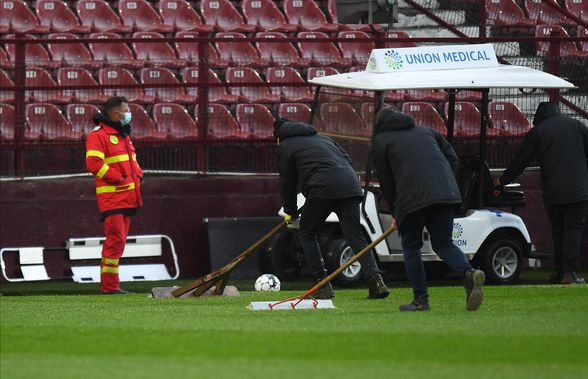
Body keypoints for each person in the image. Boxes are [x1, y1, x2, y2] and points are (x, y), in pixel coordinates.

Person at [371, 107, 485, 311]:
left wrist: (395, 210)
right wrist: (443, 183)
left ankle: (421, 300)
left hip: (412, 198)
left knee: (411, 247)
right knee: (443, 244)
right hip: (446, 194)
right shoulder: (426, 131)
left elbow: (386, 180)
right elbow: (452, 158)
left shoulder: (381, 140)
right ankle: (468, 273)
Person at [274, 118, 389, 299]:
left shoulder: (285, 145)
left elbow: (287, 182)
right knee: (355, 236)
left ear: (278, 137)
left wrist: (290, 210)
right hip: (350, 185)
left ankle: (322, 285)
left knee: (307, 233)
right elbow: (348, 161)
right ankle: (376, 281)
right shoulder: (324, 138)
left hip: (322, 187)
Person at [494, 102, 588, 284]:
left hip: (553, 191)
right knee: (573, 229)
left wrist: (502, 180)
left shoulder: (538, 132)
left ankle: (561, 273)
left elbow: (521, 160)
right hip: (578, 189)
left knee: (558, 231)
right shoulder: (577, 125)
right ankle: (570, 273)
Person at [85, 96, 143, 294]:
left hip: (127, 197)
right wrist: (118, 179)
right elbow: (94, 164)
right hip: (112, 198)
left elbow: (131, 159)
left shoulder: (122, 134)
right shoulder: (98, 135)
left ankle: (111, 286)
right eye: (127, 110)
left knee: (119, 241)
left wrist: (139, 175)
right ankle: (110, 286)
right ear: (116, 114)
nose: (129, 114)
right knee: (116, 240)